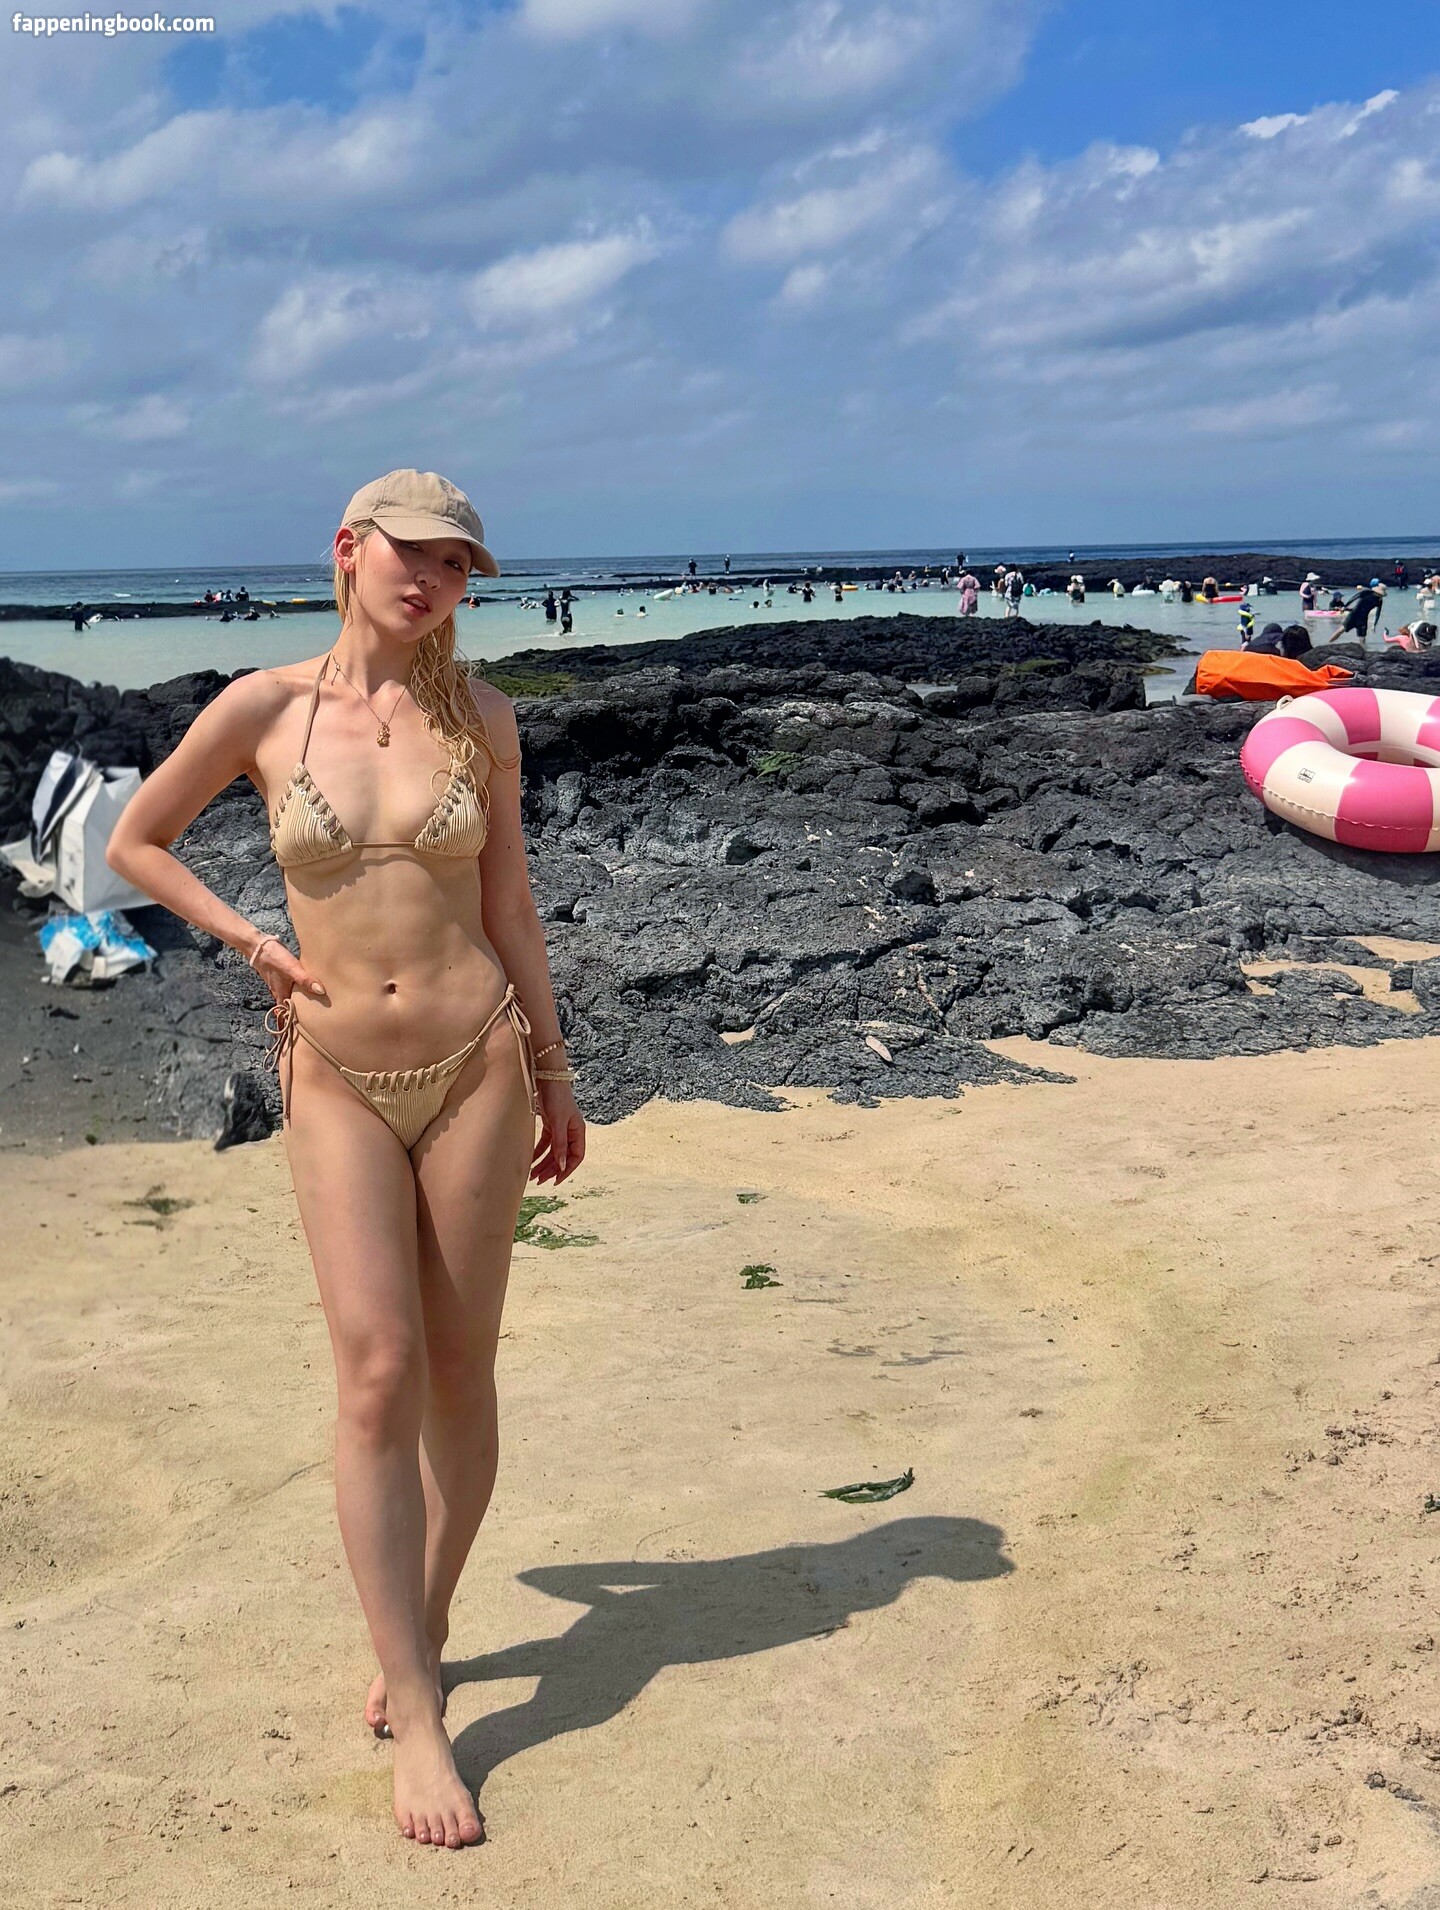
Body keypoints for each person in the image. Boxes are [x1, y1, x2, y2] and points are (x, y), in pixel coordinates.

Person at [105, 468, 585, 1854]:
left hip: (479, 1060)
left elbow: (510, 904)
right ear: (348, 549)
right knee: (377, 1369)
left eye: (457, 564)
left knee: (459, 1370)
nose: (432, 580)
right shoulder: (262, 709)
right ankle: (421, 1711)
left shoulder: (482, 717)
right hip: (334, 1076)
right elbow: (138, 840)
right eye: (411, 553)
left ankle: (418, 1624)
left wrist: (557, 1067)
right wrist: (254, 940)